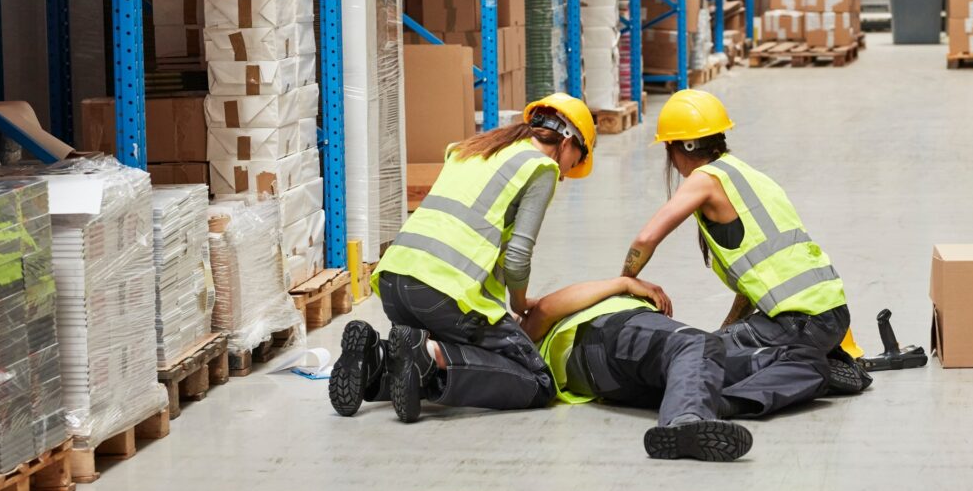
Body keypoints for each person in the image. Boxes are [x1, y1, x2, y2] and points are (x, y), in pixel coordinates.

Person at [328, 93, 597, 423]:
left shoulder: (474, 149)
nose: (569, 172)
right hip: (443, 294)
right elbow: (516, 258)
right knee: (537, 381)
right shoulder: (540, 168)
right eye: (577, 161)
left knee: (459, 354)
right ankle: (428, 355)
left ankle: (376, 359)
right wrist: (520, 302)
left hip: (395, 284)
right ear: (569, 141)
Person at [619, 90, 871, 410]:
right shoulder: (748, 176)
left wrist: (624, 282)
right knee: (712, 345)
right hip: (831, 317)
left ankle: (804, 370)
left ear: (682, 147)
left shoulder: (705, 180)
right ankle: (816, 360)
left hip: (797, 323)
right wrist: (728, 332)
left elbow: (646, 238)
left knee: (694, 360)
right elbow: (755, 282)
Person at [521, 277, 755, 462]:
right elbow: (545, 307)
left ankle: (717, 403)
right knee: (696, 343)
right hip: (604, 337)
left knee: (770, 362)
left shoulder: (524, 347)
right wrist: (625, 283)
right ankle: (685, 420)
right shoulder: (525, 332)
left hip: (610, 382)